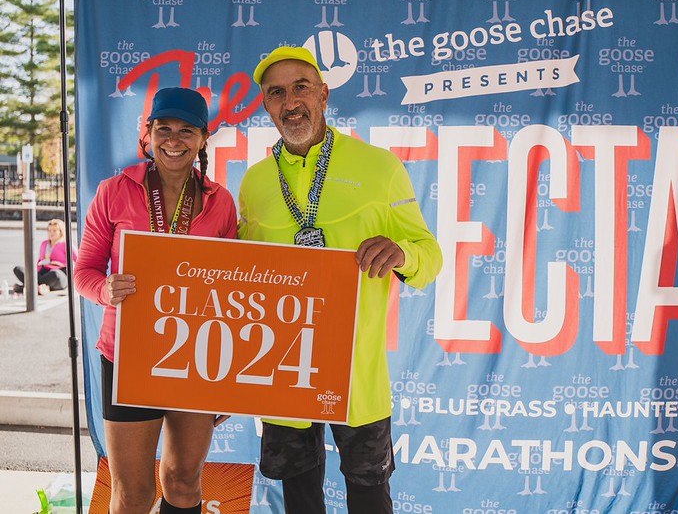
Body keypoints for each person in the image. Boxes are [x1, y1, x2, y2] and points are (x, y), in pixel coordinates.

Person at [239, 46, 443, 513]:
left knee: (370, 495)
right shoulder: (254, 183)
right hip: (282, 373)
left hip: (358, 374)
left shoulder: (379, 167)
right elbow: (241, 272)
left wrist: (402, 252)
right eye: (276, 93)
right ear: (266, 105)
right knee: (300, 499)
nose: (291, 102)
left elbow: (429, 256)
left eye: (301, 87)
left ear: (324, 94)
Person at [74, 87, 237, 514]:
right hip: (129, 354)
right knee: (133, 494)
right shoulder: (114, 191)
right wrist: (105, 290)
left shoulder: (220, 202)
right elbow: (84, 271)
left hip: (198, 356)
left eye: (186, 131)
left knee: (183, 482)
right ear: (148, 133)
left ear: (203, 139)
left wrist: (229, 381)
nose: (173, 140)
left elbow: (231, 291)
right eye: (164, 129)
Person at [13, 218, 77, 295]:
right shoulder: (44, 244)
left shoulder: (66, 244)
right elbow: (40, 260)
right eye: (49, 230)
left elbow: (78, 260)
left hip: (59, 274)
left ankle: (28, 287)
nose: (51, 233)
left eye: (54, 230)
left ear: (61, 231)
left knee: (55, 274)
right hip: (43, 272)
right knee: (18, 269)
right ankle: (39, 287)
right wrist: (34, 273)